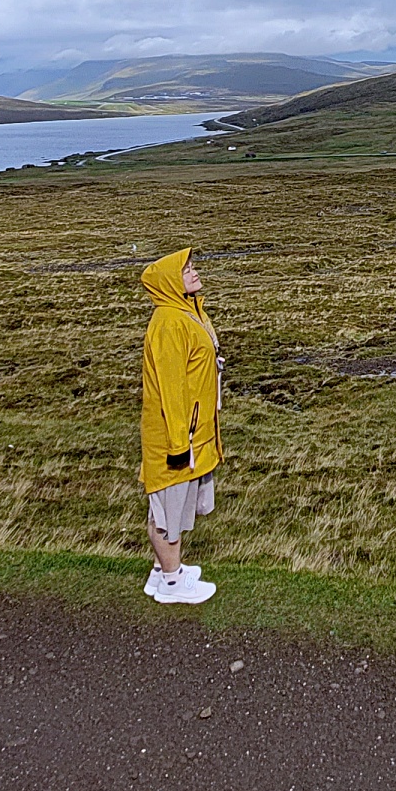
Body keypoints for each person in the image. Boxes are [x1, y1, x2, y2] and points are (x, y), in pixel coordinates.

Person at [138, 246, 222, 604]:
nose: (194, 272)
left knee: (171, 506)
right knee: (166, 511)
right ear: (170, 282)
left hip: (191, 430)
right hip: (177, 436)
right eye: (186, 269)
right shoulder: (170, 323)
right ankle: (172, 583)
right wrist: (178, 445)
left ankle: (162, 571)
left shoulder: (187, 312)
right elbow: (171, 389)